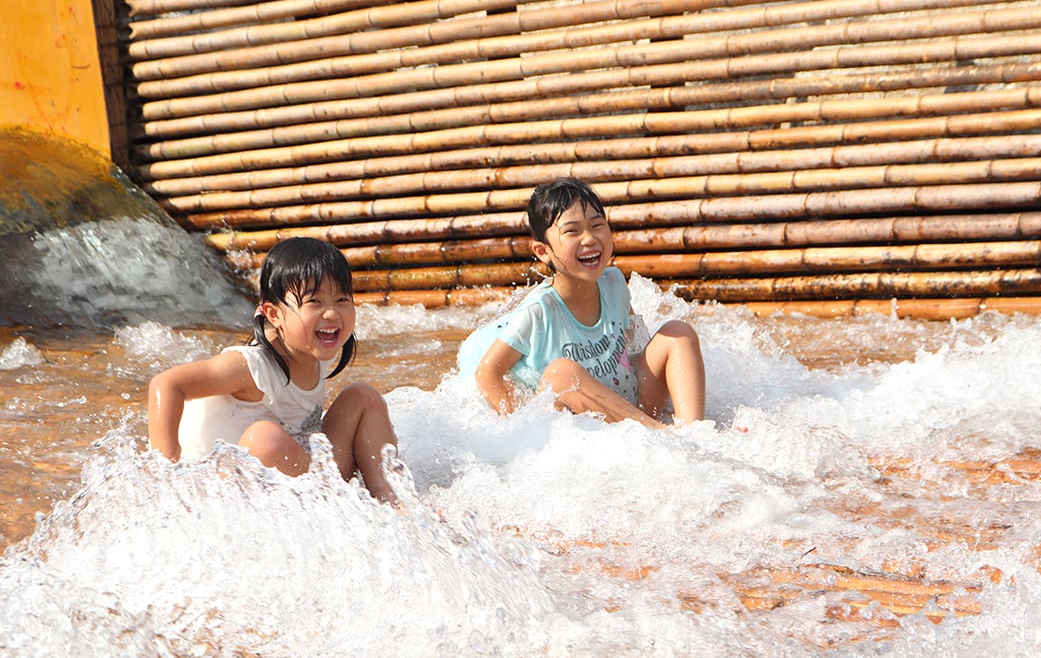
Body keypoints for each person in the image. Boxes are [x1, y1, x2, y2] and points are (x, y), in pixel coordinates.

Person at [147, 236, 399, 504]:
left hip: (306, 471)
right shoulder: (250, 366)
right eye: (314, 302)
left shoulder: (312, 347)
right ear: (274, 314)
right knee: (264, 438)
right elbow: (166, 384)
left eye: (341, 299)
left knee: (363, 397)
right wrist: (166, 468)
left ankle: (392, 500)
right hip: (233, 488)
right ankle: (342, 502)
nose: (331, 314)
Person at [457, 178, 705, 428]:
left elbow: (632, 345)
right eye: (572, 231)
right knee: (561, 374)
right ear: (544, 252)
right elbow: (487, 373)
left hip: (627, 406)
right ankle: (665, 436)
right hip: (585, 422)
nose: (589, 238)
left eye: (597, 225)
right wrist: (521, 429)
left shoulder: (614, 283)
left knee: (677, 332)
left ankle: (694, 432)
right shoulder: (539, 311)